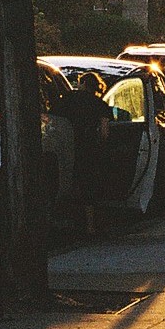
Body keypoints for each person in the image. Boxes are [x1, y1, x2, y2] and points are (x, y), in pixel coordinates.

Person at [61, 71, 111, 236]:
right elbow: (104, 133)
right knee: (89, 187)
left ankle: (68, 222)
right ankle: (90, 226)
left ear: (82, 83)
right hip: (89, 149)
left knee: (70, 182)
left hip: (67, 145)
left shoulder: (68, 100)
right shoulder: (101, 105)